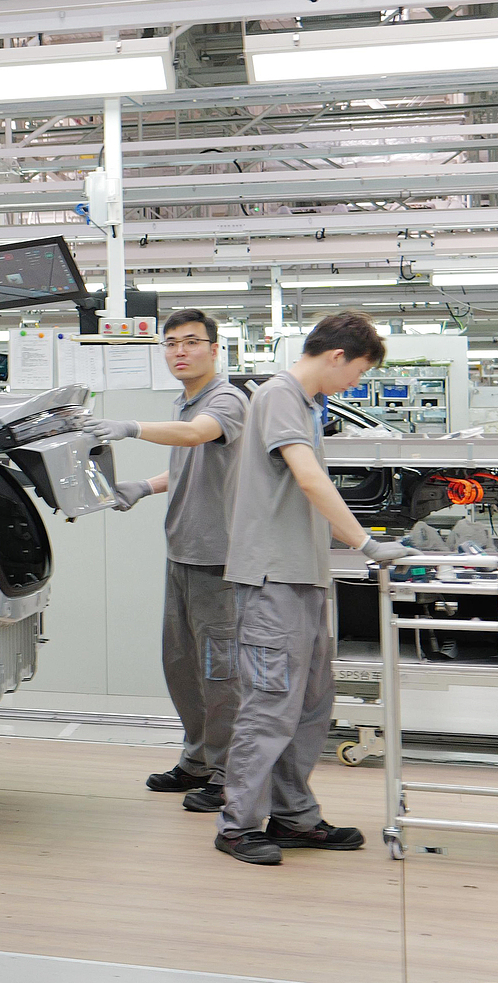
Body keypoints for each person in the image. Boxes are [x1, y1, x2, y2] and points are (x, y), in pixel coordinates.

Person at [215, 312, 414, 865]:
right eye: (357, 373)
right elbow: (309, 478)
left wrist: (361, 539)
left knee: (309, 706)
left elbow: (309, 496)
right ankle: (237, 824)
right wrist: (367, 547)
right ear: (336, 356)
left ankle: (293, 816)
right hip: (271, 581)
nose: (355, 384)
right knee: (270, 705)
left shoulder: (303, 405)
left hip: (302, 578)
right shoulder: (280, 396)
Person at [84, 309, 249, 813]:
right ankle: (198, 760)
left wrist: (130, 426)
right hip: (182, 554)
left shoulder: (225, 400)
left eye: (192, 342)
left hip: (218, 561)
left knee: (220, 674)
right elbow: (189, 465)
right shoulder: (186, 402)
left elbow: (198, 436)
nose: (180, 351)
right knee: (181, 666)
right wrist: (144, 486)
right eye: (171, 343)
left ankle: (228, 776)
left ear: (215, 349)